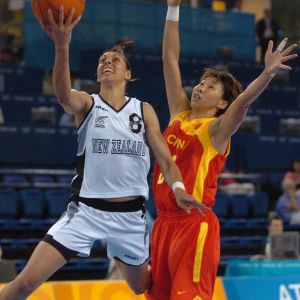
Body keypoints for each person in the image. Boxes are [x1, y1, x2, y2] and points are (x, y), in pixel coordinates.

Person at [0, 7, 207, 300]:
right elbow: (62, 95)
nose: (107, 62)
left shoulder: (143, 109)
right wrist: (62, 46)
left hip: (130, 217)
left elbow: (165, 158)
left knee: (140, 286)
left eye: (115, 60)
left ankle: (137, 257)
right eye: (102, 60)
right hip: (86, 211)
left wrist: (178, 187)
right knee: (24, 283)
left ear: (128, 73)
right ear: (97, 72)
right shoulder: (88, 103)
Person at [145, 1, 297, 299]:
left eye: (211, 86)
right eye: (201, 82)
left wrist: (267, 73)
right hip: (162, 224)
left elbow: (243, 104)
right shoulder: (179, 113)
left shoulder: (216, 131)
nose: (200, 87)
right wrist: (173, 8)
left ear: (222, 103)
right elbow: (169, 59)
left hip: (194, 225)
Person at [276, 159, 300, 224]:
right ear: (285, 189)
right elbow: (282, 213)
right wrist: (293, 206)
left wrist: (291, 207)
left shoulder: (298, 197)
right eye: (290, 187)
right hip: (290, 218)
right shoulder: (281, 200)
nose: (291, 189)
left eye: (292, 187)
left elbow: (297, 208)